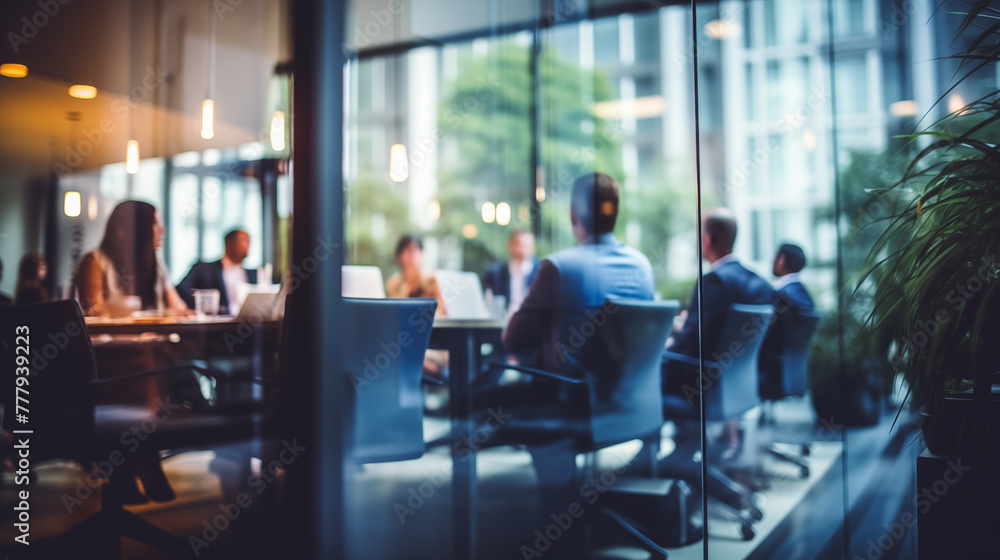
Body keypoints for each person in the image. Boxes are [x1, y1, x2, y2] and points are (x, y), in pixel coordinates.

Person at [496, 173, 654, 559]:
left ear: (572, 216)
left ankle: (555, 519)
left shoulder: (558, 267)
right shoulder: (642, 266)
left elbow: (513, 341)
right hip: (632, 405)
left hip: (570, 408)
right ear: (614, 213)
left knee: (496, 397)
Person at [77, 200, 190, 317]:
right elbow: (93, 311)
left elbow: (179, 309)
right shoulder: (95, 261)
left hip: (153, 334)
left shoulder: (157, 265)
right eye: (154, 223)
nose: (161, 230)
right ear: (123, 230)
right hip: (115, 335)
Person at [176, 229, 258, 314]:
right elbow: (181, 290)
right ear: (230, 243)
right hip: (218, 323)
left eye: (249, 241)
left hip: (248, 322)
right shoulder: (203, 269)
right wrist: (203, 304)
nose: (248, 245)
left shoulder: (253, 274)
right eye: (245, 241)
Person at [483, 230, 538, 314]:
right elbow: (488, 300)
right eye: (519, 245)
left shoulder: (541, 271)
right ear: (510, 245)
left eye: (527, 246)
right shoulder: (495, 273)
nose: (522, 250)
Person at [771, 243, 814, 313]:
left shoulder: (780, 295)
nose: (772, 260)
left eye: (775, 256)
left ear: (782, 260)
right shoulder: (804, 294)